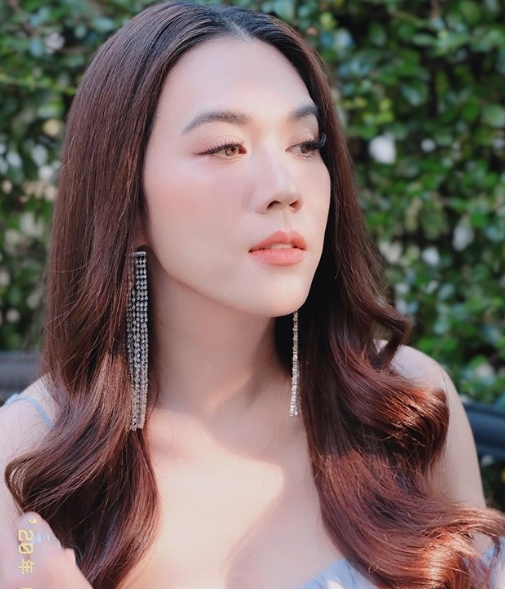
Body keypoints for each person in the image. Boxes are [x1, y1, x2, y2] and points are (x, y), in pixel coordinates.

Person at [0, 2, 504, 588]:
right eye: (226, 147)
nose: (284, 187)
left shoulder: (405, 408)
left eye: (305, 144)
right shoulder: (27, 461)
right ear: (127, 200)